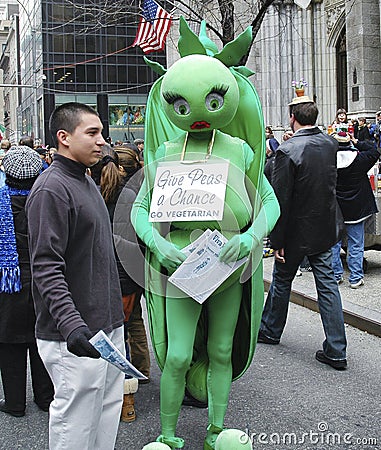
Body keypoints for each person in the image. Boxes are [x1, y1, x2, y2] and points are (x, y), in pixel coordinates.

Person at [132, 18, 280, 449]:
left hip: (227, 266)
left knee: (220, 351)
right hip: (179, 266)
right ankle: (168, 435)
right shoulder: (161, 154)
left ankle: (216, 429)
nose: (194, 114)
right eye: (180, 105)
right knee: (176, 356)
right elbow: (141, 209)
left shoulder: (241, 149)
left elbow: (269, 203)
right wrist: (158, 242)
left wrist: (251, 239)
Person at [26, 102, 125, 450]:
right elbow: (45, 267)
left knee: (105, 415)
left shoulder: (84, 179)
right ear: (64, 138)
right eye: (92, 133)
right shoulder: (51, 188)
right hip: (75, 334)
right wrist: (71, 325)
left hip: (106, 327)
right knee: (76, 425)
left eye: (102, 133)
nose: (102, 141)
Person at [258, 94, 348, 371]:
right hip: (323, 227)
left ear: (292, 118)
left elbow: (281, 199)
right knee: (328, 286)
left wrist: (278, 240)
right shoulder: (329, 143)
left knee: (282, 281)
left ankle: (271, 330)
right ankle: (336, 349)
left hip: (296, 231)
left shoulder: (287, 150)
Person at [0, 146, 54, 418]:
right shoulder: (45, 201)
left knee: (9, 342)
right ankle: (46, 397)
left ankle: (15, 402)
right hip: (42, 280)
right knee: (42, 339)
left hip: (7, 284)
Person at [331, 131, 380, 288]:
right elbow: (374, 150)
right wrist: (357, 141)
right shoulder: (360, 159)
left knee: (334, 244)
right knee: (356, 244)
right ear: (348, 143)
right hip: (356, 209)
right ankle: (355, 277)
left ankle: (336, 274)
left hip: (336, 208)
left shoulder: (328, 162)